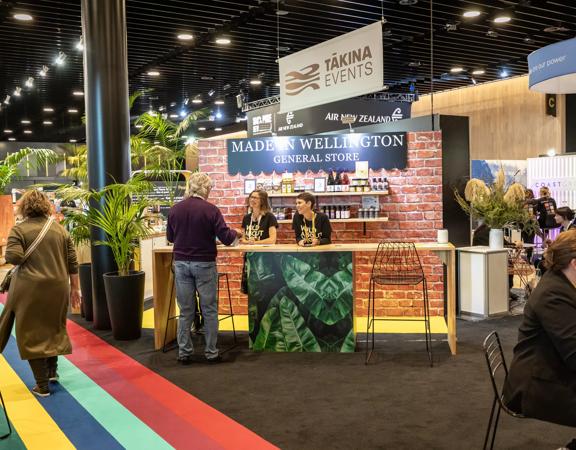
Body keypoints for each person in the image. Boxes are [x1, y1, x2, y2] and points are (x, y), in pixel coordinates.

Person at [0, 189, 80, 397]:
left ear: (24, 207)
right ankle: (52, 373)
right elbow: (72, 261)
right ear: (46, 206)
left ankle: (42, 385)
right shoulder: (59, 230)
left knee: (32, 333)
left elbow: (14, 257)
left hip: (30, 289)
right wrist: (75, 288)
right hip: (59, 287)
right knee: (53, 328)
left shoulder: (19, 230)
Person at [503, 230, 576, 430]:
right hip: (535, 386)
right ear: (574, 263)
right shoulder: (553, 294)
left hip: (552, 370)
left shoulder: (562, 281)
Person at [166, 172, 240, 365]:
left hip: (181, 263)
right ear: (205, 188)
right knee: (209, 309)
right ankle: (211, 352)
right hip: (204, 264)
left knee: (185, 310)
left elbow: (171, 238)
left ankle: (184, 352)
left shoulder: (175, 209)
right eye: (210, 188)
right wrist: (236, 233)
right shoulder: (211, 210)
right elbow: (226, 237)